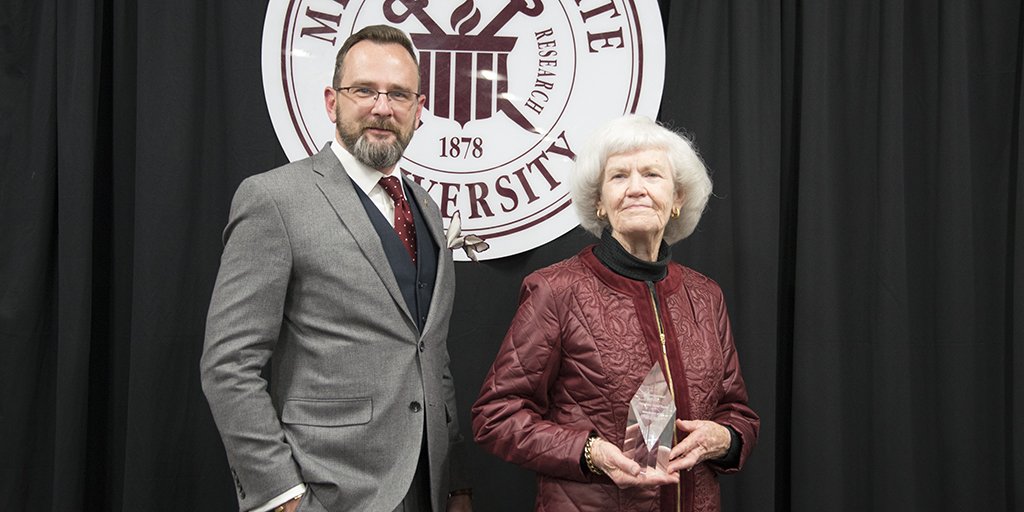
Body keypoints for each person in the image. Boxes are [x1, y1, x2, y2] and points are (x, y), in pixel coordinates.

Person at [201, 25, 471, 512]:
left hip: (427, 491)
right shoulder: (274, 200)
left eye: (399, 95)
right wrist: (283, 497)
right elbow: (228, 365)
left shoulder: (427, 210)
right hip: (326, 491)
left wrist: (456, 485)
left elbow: (432, 355)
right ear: (331, 102)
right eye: (364, 90)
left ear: (419, 109)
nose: (382, 108)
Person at [471, 115, 759, 511]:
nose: (636, 189)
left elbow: (736, 410)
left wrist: (724, 438)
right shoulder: (556, 290)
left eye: (653, 175)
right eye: (619, 177)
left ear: (677, 199)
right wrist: (590, 453)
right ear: (599, 203)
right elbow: (495, 416)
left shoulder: (705, 295)